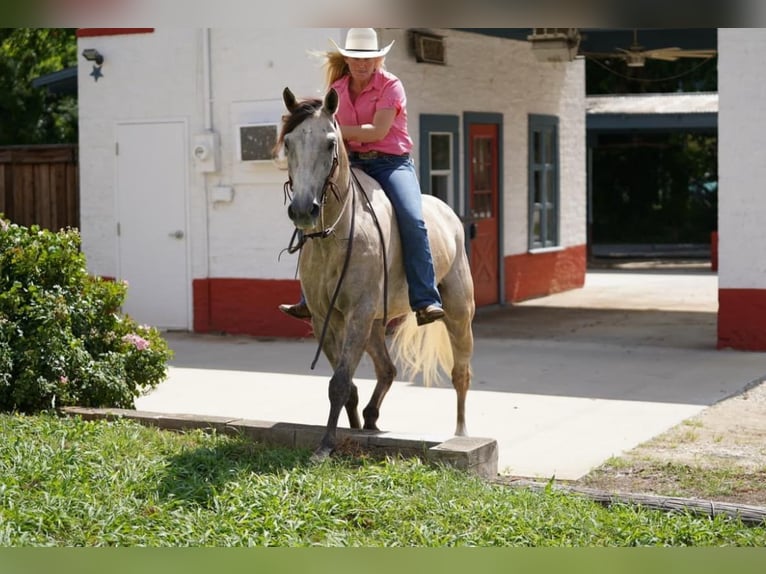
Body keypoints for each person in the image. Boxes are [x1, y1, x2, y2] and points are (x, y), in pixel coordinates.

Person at [279, 28, 444, 327]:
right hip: (352, 162)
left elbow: (378, 132)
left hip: (392, 163)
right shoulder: (337, 89)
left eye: (369, 58)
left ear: (379, 59)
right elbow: (321, 126)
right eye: (356, 58)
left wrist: (333, 133)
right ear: (347, 58)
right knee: (313, 209)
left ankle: (425, 298)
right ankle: (309, 296)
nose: (362, 64)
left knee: (412, 217)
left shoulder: (391, 85)